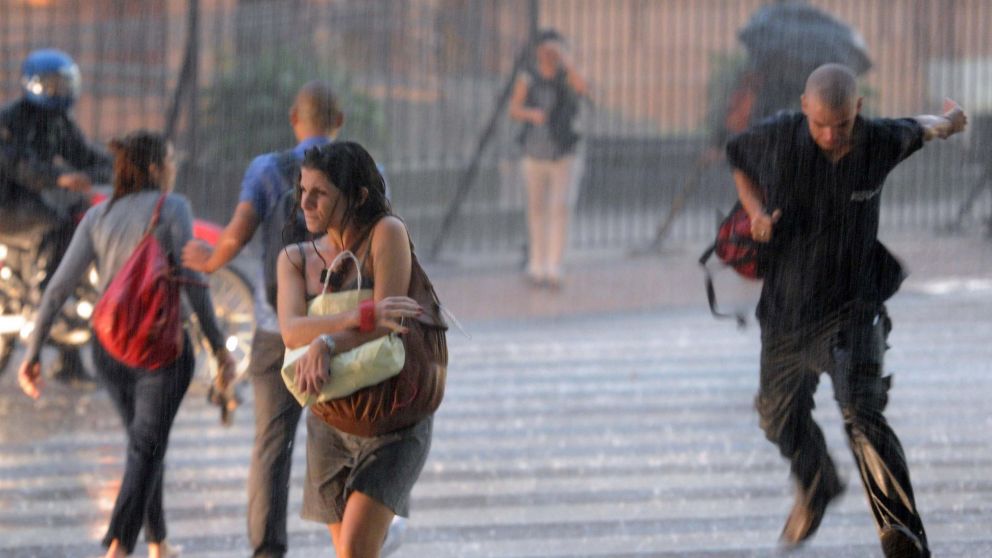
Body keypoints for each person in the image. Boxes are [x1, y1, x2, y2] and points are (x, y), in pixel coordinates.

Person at [726, 63, 966, 557]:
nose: (832, 135)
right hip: (789, 310)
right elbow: (738, 160)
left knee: (862, 411)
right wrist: (753, 213)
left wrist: (949, 123)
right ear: (804, 108)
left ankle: (902, 539)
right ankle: (817, 483)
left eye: (842, 123)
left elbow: (918, 127)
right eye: (820, 124)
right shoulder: (778, 138)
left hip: (853, 306)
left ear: (857, 109)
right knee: (777, 419)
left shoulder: (877, 141)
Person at [17, 130, 236, 558]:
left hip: (109, 349)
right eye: (170, 160)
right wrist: (218, 347)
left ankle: (159, 543)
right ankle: (118, 546)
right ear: (155, 169)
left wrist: (32, 353)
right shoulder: (173, 208)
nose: (174, 167)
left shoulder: (99, 217)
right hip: (161, 350)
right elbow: (194, 283)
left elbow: (58, 289)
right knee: (146, 446)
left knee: (144, 445)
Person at [276, 141, 428, 558]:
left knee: (356, 550)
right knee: (352, 552)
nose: (305, 202)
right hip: (330, 420)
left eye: (319, 193)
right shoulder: (294, 258)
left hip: (391, 417)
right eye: (302, 190)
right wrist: (348, 321)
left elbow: (388, 323)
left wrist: (323, 341)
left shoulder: (386, 232)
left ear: (357, 196)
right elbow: (291, 332)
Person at [0, 48, 113, 383]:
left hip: (32, 200)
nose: (59, 90)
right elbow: (18, 166)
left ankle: (69, 361)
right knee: (59, 223)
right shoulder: (10, 121)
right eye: (52, 84)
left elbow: (83, 154)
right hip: (7, 205)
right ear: (34, 84)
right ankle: (42, 297)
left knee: (80, 215)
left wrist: (123, 166)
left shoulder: (59, 122)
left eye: (63, 83)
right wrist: (57, 178)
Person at [508, 28, 588, 289]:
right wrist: (533, 115)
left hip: (564, 151)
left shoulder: (567, 75)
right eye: (546, 49)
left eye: (554, 49)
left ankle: (555, 264)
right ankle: (537, 263)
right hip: (534, 152)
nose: (548, 54)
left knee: (560, 208)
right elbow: (514, 108)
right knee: (537, 208)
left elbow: (584, 89)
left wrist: (567, 61)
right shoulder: (528, 76)